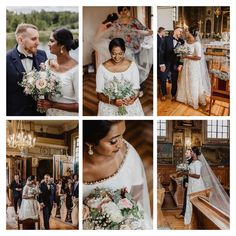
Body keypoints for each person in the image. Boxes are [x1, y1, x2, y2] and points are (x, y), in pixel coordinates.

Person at [83, 120, 152, 229]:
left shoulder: (128, 155)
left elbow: (138, 193)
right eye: (113, 141)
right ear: (90, 143)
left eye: (122, 135)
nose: (121, 144)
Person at [7, 23, 47, 116]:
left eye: (38, 38)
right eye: (34, 39)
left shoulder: (42, 55)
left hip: (39, 113)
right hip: (17, 113)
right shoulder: (5, 60)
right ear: (20, 40)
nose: (38, 42)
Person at [96, 38, 144, 116]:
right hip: (110, 104)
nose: (117, 57)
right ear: (110, 52)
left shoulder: (132, 66)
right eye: (114, 53)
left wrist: (133, 99)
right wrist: (112, 101)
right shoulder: (102, 68)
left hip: (128, 104)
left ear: (124, 52)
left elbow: (136, 89)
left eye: (120, 53)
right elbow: (99, 95)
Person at [37, 28, 78, 116]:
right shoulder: (47, 64)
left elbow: (79, 106)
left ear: (62, 46)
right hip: (49, 114)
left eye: (51, 41)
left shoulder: (76, 70)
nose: (48, 44)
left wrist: (52, 105)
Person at [176, 27, 211, 109]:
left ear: (191, 33)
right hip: (186, 65)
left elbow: (199, 57)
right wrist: (181, 54)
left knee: (193, 81)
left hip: (194, 66)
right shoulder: (185, 42)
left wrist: (187, 56)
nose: (186, 32)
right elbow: (183, 53)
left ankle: (194, 101)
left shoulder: (197, 44)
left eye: (187, 31)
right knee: (185, 80)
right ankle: (185, 98)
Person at [159, 26, 184, 101]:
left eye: (182, 32)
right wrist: (162, 64)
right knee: (163, 79)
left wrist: (180, 64)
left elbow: (181, 55)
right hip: (166, 63)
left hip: (175, 64)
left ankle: (173, 95)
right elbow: (161, 52)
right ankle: (164, 94)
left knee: (174, 80)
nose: (181, 33)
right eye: (180, 31)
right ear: (175, 31)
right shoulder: (166, 39)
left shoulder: (182, 42)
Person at [176, 148, 192, 219]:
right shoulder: (187, 161)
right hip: (186, 181)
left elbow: (191, 173)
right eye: (186, 153)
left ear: (191, 154)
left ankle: (185, 213)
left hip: (190, 183)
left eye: (187, 153)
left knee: (188, 198)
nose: (185, 154)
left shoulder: (192, 162)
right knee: (186, 198)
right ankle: (184, 212)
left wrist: (188, 182)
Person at [157, 27, 166, 100]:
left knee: (161, 76)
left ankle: (161, 91)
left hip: (162, 60)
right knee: (161, 76)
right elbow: (159, 50)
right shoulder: (157, 38)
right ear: (161, 31)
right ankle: (161, 92)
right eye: (164, 31)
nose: (165, 33)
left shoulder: (162, 38)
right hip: (158, 59)